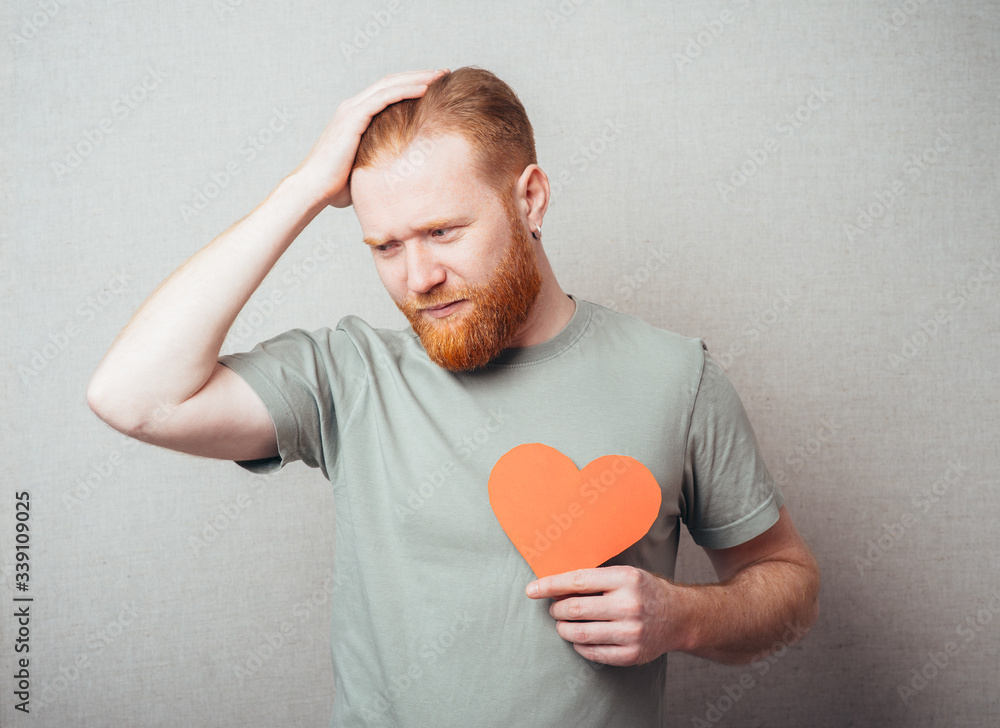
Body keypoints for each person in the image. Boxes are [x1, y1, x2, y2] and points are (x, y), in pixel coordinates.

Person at [88, 67, 820, 727]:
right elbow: (133, 397)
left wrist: (684, 617)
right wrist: (307, 186)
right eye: (386, 246)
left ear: (529, 197)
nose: (418, 277)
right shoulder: (349, 376)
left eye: (443, 231)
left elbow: (789, 584)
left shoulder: (675, 376)